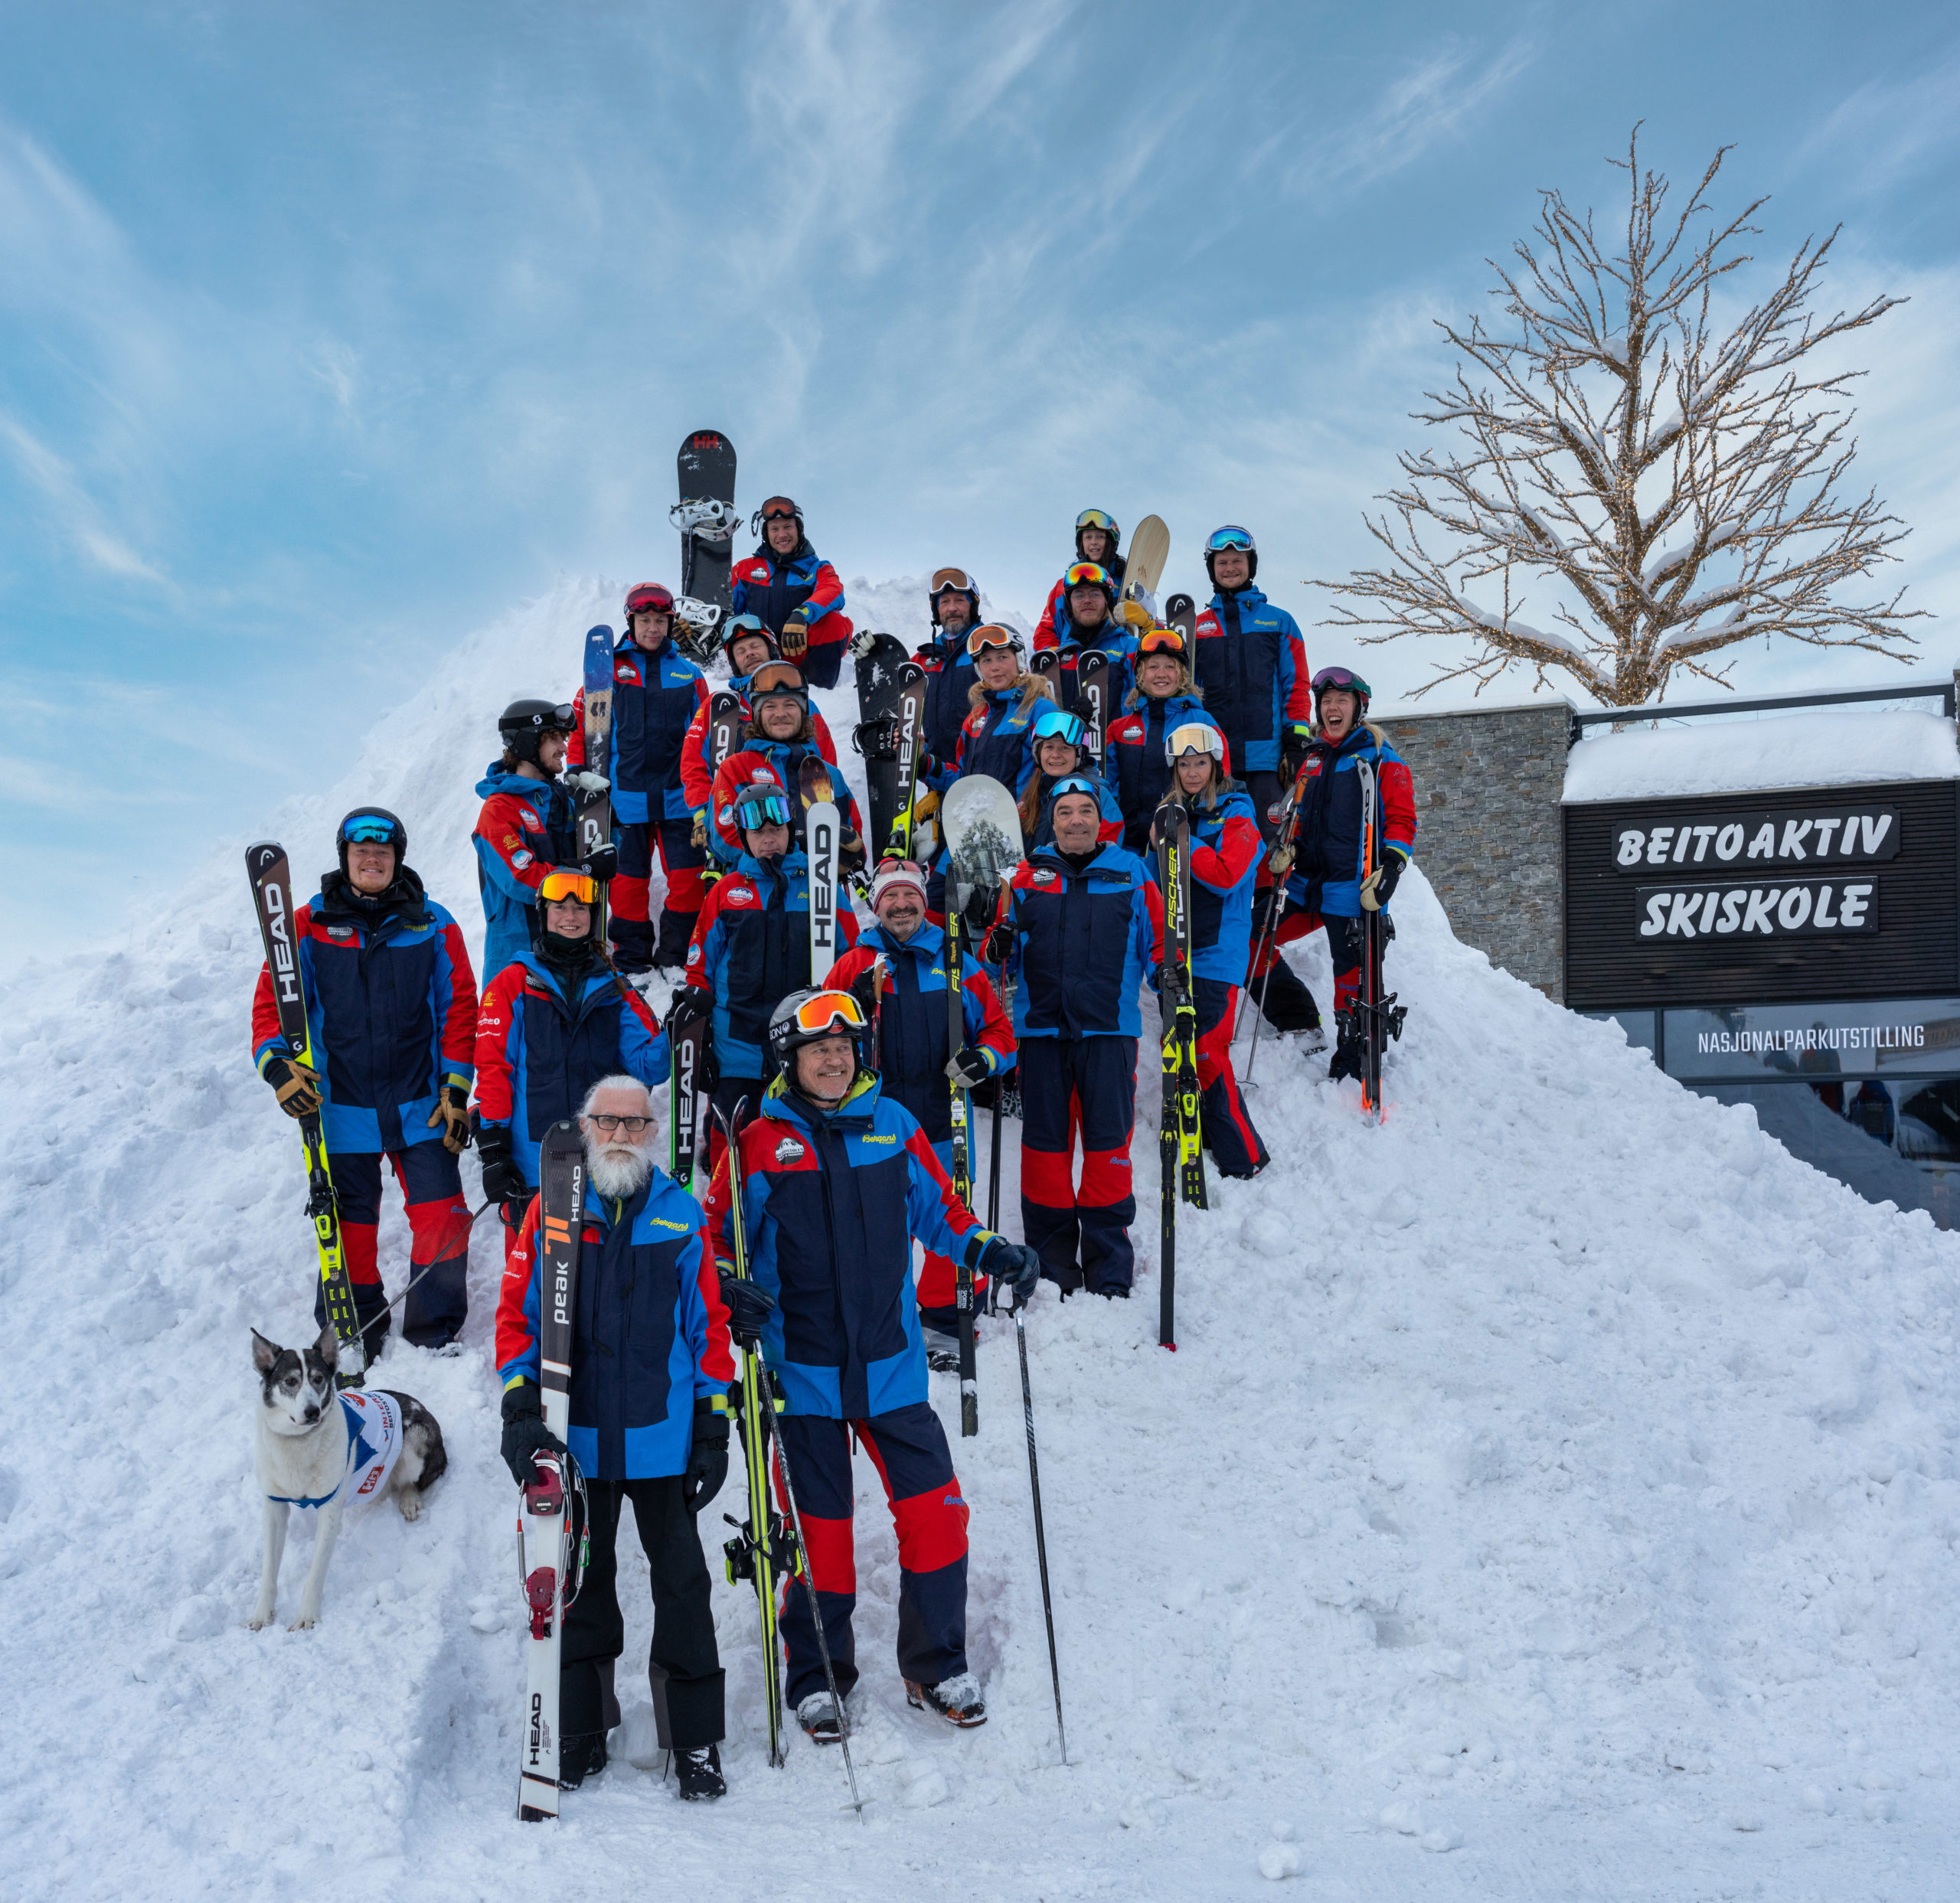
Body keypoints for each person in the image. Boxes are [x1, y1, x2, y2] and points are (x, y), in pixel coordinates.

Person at [703, 988, 1042, 1735]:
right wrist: (731, 1287)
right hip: (802, 1379)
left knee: (938, 1515)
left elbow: (942, 1214)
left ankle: (936, 1662)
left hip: (890, 1369)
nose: (834, 1057)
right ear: (789, 1058)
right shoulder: (759, 1142)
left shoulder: (892, 1126)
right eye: (818, 1047)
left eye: (845, 1045)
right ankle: (819, 1674)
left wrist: (990, 1252)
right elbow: (714, 1242)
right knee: (817, 1534)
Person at [495, 1074, 737, 1801]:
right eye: (609, 1123)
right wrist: (518, 1408)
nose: (622, 1136)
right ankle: (577, 1731)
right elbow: (518, 1318)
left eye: (636, 1124)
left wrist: (713, 1425)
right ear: (586, 1128)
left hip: (664, 1442)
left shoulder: (681, 1215)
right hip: (580, 1443)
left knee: (685, 1591)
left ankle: (693, 1741)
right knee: (580, 1590)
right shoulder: (552, 1210)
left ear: (653, 1133)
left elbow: (710, 1330)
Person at [251, 808, 478, 1351]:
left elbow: (460, 1009)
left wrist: (456, 1087)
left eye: (382, 851)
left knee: (444, 1220)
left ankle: (433, 1330)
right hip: (340, 1109)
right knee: (349, 1235)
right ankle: (357, 1330)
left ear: (397, 859)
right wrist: (278, 1068)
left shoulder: (434, 923)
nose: (371, 859)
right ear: (345, 857)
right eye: (361, 851)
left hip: (422, 1105)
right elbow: (271, 1009)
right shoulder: (306, 926)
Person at [824, 858, 1017, 1366]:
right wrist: (854, 1007)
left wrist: (985, 1060)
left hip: (941, 1117)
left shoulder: (955, 960)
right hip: (876, 1120)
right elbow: (818, 1044)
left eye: (910, 896)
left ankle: (945, 1323)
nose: (903, 905)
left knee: (948, 1215)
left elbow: (1000, 1033)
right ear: (877, 905)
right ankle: (882, 1324)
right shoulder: (854, 963)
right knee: (877, 1224)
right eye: (891, 897)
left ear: (922, 901)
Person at [984, 778, 1163, 1297]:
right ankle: (1051, 1267)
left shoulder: (1130, 872)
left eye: (1086, 810)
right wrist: (996, 945)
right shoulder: (1024, 878)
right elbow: (1000, 960)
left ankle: (1109, 1266)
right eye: (1066, 812)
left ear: (1100, 818)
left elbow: (1159, 948)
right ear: (1053, 821)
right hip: (1041, 1035)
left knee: (1109, 1151)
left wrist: (1172, 980)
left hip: (1110, 1034)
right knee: (1045, 1154)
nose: (1076, 820)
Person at [473, 870, 669, 1262]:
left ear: (593, 918)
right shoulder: (513, 982)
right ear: (543, 914)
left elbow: (649, 1067)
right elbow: (494, 1068)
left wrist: (681, 1028)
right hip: (534, 1158)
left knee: (595, 1264)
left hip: (601, 1152)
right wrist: (494, 1146)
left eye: (581, 908)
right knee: (531, 1270)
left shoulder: (614, 987)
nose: (571, 916)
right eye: (560, 907)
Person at [671, 787, 860, 1161]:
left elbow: (850, 955)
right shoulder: (726, 891)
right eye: (758, 833)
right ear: (745, 838)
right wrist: (697, 1011)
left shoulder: (822, 889)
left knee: (793, 1140)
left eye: (777, 829)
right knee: (731, 1137)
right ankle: (725, 1209)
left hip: (803, 1037)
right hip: (737, 1037)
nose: (769, 838)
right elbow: (700, 962)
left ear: (791, 831)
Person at [1260, 666, 1416, 1084]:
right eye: (1326, 701)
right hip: (1305, 885)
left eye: (1341, 702)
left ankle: (1351, 1048)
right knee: (1250, 940)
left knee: (1349, 971)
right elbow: (1296, 815)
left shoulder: (1381, 758)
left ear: (1358, 708)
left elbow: (1402, 821)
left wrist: (1393, 868)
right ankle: (1295, 1014)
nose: (1332, 708)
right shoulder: (1310, 759)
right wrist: (1285, 847)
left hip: (1351, 888)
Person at [567, 583, 711, 976]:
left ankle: (676, 955)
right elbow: (586, 731)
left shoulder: (688, 674)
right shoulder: (606, 672)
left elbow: (706, 734)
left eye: (660, 621)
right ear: (631, 622)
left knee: (688, 880)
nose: (653, 628)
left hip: (678, 798)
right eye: (645, 620)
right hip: (624, 800)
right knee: (629, 886)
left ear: (670, 623)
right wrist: (578, 771)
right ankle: (631, 961)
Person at [1154, 725, 1269, 1178]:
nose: (1192, 771)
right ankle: (1193, 1136)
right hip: (1176, 955)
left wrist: (1182, 840)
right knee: (1180, 1055)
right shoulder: (1168, 813)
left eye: (1200, 762)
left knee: (1206, 1053)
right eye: (1184, 764)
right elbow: (1154, 888)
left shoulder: (1239, 816)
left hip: (1217, 957)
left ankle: (1244, 1156)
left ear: (1217, 764)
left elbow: (1226, 875)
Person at [474, 700, 609, 987]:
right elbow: (520, 879)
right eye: (554, 739)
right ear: (527, 743)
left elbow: (600, 851)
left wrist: (605, 812)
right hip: (518, 956)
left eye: (564, 739)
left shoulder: (564, 801)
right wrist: (583, 870)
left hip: (571, 948)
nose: (564, 747)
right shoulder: (499, 808)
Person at [1190, 526, 1312, 841]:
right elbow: (1186, 688)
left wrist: (1296, 737)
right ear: (1212, 570)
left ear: (1250, 565)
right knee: (1220, 841)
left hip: (1265, 758)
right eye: (1222, 562)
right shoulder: (1197, 627)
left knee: (1269, 839)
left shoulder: (1279, 621)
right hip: (1214, 757)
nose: (1230, 568)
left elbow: (1296, 684)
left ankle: (1267, 893)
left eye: (1237, 561)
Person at [678, 617, 842, 842]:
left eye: (756, 646)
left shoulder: (801, 701)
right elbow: (692, 761)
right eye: (741, 651)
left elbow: (825, 759)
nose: (749, 653)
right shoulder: (720, 706)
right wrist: (702, 814)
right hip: (738, 824)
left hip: (799, 817)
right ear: (734, 661)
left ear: (771, 648)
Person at [706, 661, 865, 867]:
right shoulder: (735, 769)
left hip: (820, 897)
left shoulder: (829, 774)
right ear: (757, 715)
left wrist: (849, 854)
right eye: (770, 706)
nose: (780, 713)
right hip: (756, 891)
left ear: (804, 712)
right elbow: (723, 839)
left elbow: (855, 842)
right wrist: (795, 858)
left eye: (790, 705)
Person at [1103, 624, 1227, 854]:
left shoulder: (1202, 722)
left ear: (1181, 673)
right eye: (1153, 667)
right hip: (1128, 844)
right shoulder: (1119, 728)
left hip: (1184, 845)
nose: (1161, 674)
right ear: (1140, 674)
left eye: (1170, 667)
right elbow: (1107, 788)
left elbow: (1221, 781)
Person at [729, 495, 854, 690]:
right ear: (766, 534)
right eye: (774, 529)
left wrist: (801, 615)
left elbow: (833, 591)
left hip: (799, 652)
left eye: (788, 527)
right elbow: (728, 613)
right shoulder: (743, 570)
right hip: (761, 655)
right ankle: (747, 689)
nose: (782, 534)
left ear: (798, 530)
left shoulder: (818, 568)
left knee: (835, 623)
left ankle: (816, 692)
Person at [1018, 703, 1122, 851]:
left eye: (1064, 748)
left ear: (1079, 755)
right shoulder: (1032, 793)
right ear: (1038, 753)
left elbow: (1108, 852)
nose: (1055, 755)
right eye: (1048, 747)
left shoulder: (1098, 795)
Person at [916, 567, 984, 774]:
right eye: (944, 602)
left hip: (983, 770)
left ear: (972, 606)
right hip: (937, 773)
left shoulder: (990, 650)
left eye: (960, 600)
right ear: (936, 610)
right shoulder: (923, 659)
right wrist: (876, 653)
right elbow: (895, 703)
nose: (952, 608)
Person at [1034, 509, 1128, 651]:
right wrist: (1053, 656)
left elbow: (1150, 626)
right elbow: (1045, 632)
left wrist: (1146, 623)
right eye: (1088, 537)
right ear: (1081, 543)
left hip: (1117, 659)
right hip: (1074, 661)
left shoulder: (1126, 582)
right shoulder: (1065, 585)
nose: (1094, 542)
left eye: (1100, 537)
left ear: (1110, 542)